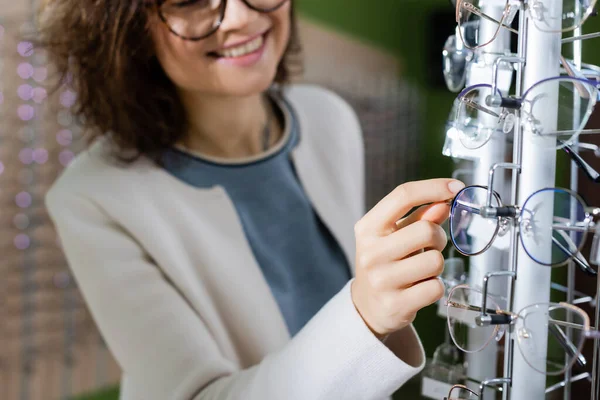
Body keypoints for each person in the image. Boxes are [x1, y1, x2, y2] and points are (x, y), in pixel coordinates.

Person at [38, 0, 466, 399]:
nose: (241, 16)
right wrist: (364, 317)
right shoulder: (93, 197)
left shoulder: (328, 118)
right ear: (124, 25)